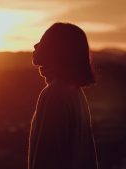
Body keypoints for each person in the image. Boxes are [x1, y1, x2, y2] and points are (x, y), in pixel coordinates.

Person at [28, 22, 99, 169]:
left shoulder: (54, 95)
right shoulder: (76, 94)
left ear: (56, 50)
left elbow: (47, 159)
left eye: (43, 40)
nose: (35, 45)